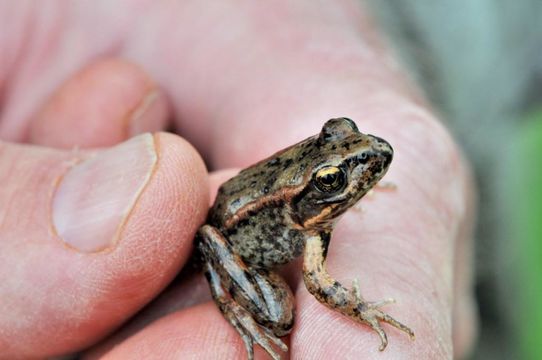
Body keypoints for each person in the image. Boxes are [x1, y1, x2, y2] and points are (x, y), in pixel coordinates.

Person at [0, 1, 476, 358]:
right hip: (229, 233)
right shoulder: (308, 230)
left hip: (240, 199)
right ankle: (231, 313)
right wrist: (364, 311)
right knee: (280, 314)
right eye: (333, 178)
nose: (367, 158)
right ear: (313, 193)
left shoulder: (315, 213)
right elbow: (321, 285)